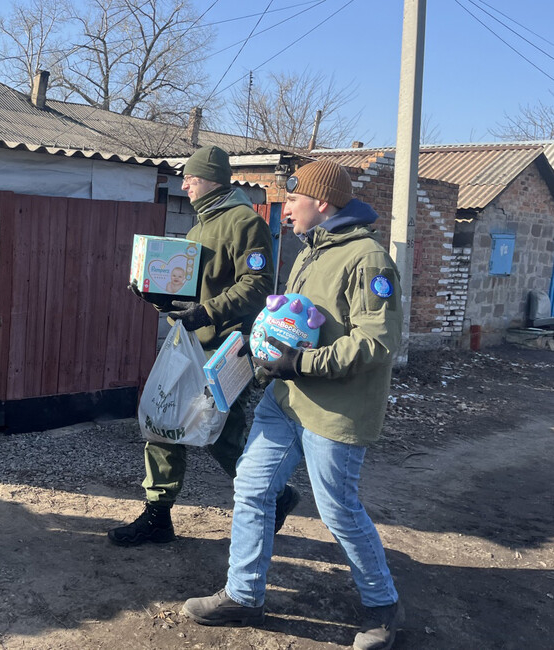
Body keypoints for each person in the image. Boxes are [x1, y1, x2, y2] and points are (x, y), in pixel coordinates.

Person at [181, 160, 405, 650]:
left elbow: (378, 344)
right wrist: (259, 355)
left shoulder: (367, 260)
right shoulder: (309, 252)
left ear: (322, 203)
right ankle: (243, 595)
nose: (285, 212)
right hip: (285, 400)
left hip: (335, 411)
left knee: (338, 509)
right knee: (252, 487)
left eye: (294, 201)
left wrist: (299, 362)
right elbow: (292, 323)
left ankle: (382, 607)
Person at [113, 145, 299, 546]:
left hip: (231, 348)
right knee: (164, 420)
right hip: (193, 346)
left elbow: (259, 286)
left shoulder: (245, 224)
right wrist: (157, 296)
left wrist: (208, 312)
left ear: (212, 179)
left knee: (219, 435)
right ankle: (158, 516)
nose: (185, 186)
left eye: (191, 179)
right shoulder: (199, 228)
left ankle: (277, 496)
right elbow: (190, 293)